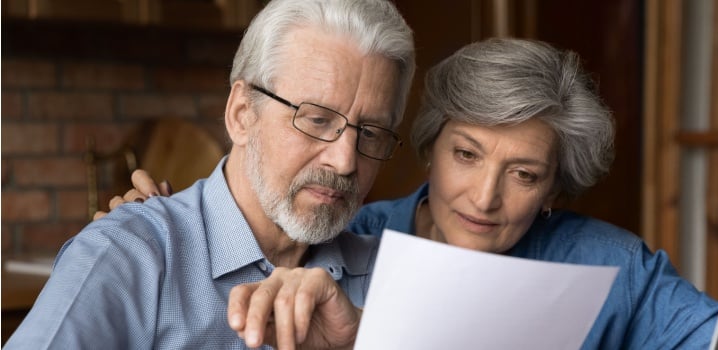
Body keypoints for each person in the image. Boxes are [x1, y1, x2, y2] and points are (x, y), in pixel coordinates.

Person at [102, 39, 718, 348]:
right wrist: (177, 231)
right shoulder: (344, 241)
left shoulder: (615, 266)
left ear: (555, 187)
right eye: (467, 155)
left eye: (524, 174)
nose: (484, 198)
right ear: (429, 146)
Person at [5, 0, 415, 349]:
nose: (345, 162)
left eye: (372, 133)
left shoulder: (395, 278)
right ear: (241, 114)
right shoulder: (128, 255)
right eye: (317, 119)